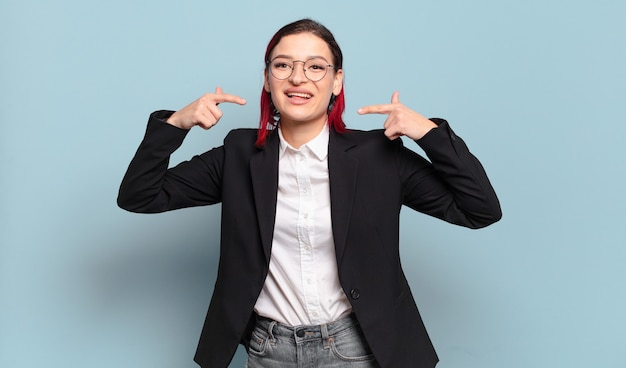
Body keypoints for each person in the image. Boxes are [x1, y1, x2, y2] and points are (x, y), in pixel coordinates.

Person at [118, 18, 501, 368]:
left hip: (357, 349)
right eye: (283, 65)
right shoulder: (238, 155)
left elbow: (479, 209)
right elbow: (139, 195)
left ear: (337, 81)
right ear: (268, 79)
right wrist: (175, 125)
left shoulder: (377, 157)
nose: (298, 78)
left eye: (316, 67)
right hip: (270, 351)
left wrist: (429, 134)